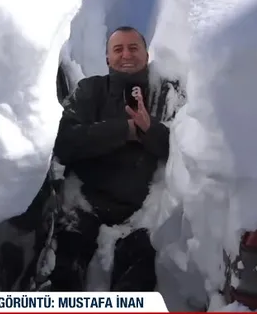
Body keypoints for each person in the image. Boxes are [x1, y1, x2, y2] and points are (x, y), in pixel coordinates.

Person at [47, 26, 176, 292]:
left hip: (141, 216)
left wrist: (149, 129)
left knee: (137, 285)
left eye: (133, 48)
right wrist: (126, 129)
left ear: (146, 53)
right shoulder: (90, 90)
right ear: (107, 58)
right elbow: (65, 142)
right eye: (118, 49)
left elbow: (181, 149)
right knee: (64, 279)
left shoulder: (164, 94)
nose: (126, 54)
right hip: (84, 206)